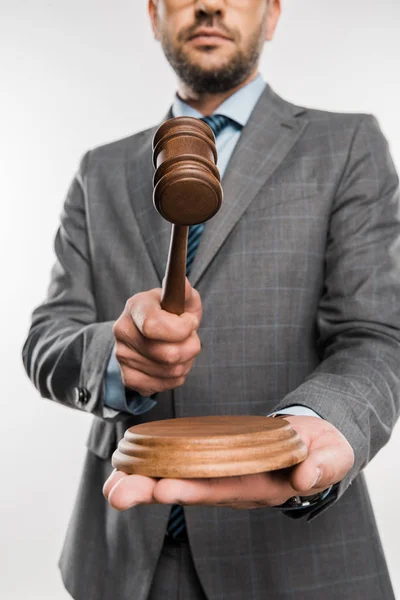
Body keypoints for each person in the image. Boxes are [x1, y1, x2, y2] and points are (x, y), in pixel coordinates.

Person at [22, 0, 400, 598]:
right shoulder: (99, 171)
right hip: (123, 562)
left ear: (272, 15)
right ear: (154, 15)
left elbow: (376, 334)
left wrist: (311, 428)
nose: (209, 5)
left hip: (295, 563)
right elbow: (46, 339)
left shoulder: (347, 145)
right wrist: (115, 361)